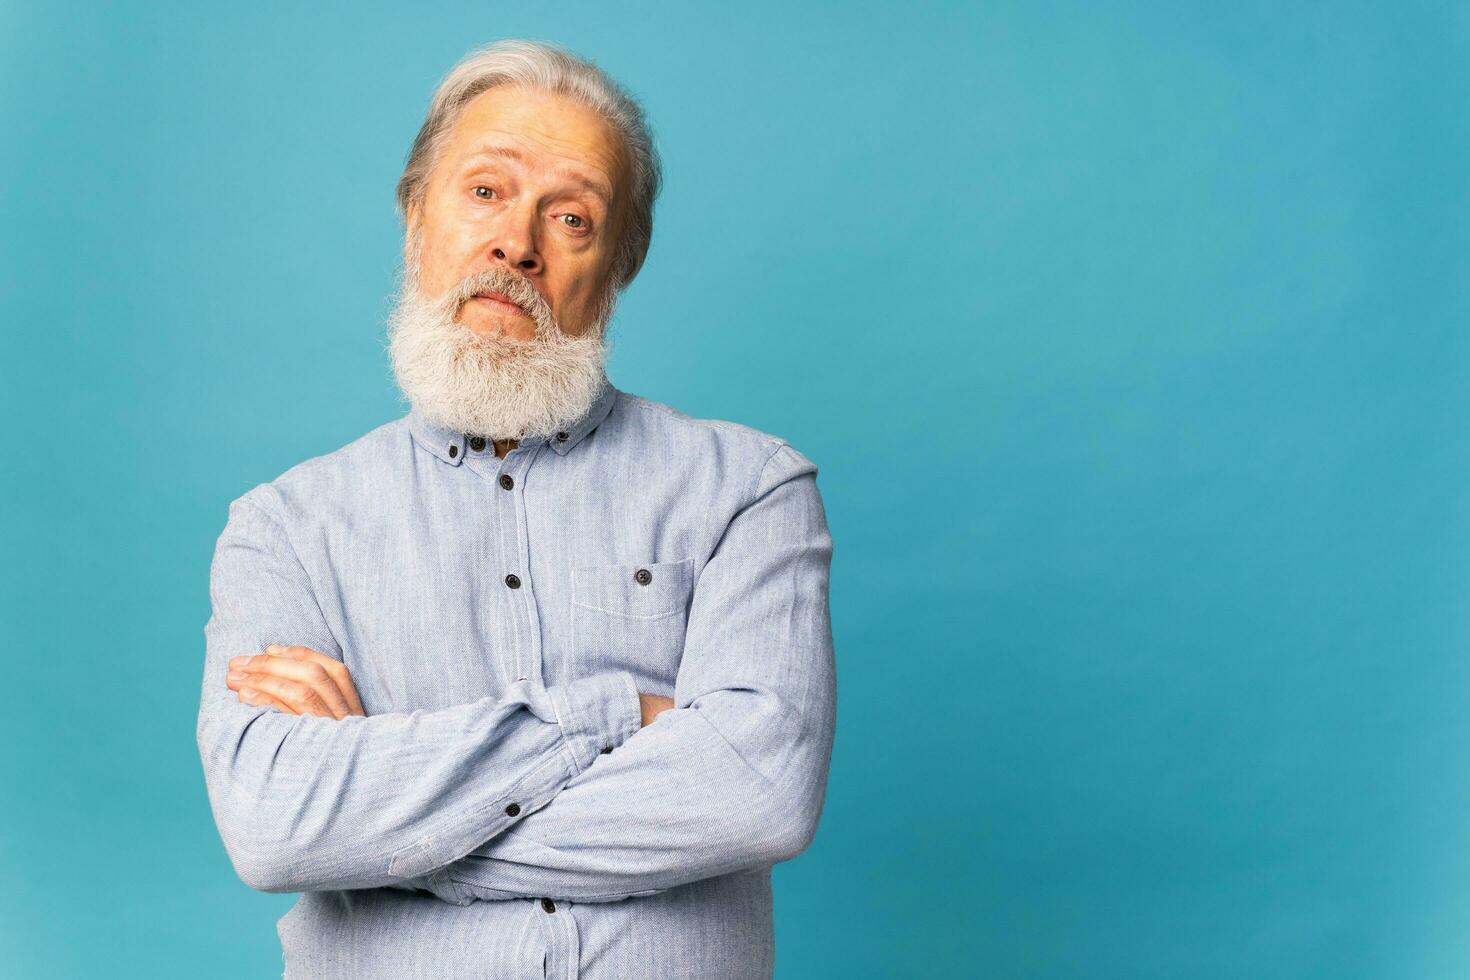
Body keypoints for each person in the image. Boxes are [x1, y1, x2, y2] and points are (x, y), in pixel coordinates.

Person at [195, 38, 836, 979]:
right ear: (416, 219)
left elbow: (759, 789)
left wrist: (394, 834)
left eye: (570, 217)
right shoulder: (284, 529)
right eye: (485, 192)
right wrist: (614, 715)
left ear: (617, 267)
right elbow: (273, 824)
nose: (517, 245)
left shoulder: (749, 490)